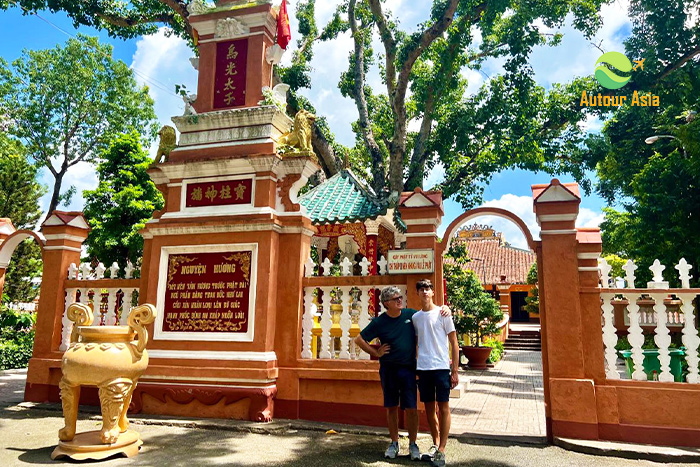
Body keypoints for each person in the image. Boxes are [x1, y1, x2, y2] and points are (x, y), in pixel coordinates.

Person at [354, 286, 450, 461]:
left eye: (400, 297)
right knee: (391, 407)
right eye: (395, 298)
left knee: (411, 408)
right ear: (386, 303)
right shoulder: (379, 322)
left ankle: (413, 444)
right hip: (388, 370)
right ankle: (394, 442)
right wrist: (376, 353)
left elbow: (428, 312)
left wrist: (445, 308)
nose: (400, 300)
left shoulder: (410, 316)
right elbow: (359, 339)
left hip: (408, 369)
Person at [411, 279, 459, 467]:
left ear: (433, 292)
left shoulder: (443, 313)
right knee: (429, 409)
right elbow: (417, 343)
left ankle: (442, 449)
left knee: (444, 407)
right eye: (421, 289)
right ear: (418, 293)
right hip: (423, 368)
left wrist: (454, 370)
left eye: (428, 289)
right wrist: (416, 366)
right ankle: (435, 443)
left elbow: (454, 343)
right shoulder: (416, 318)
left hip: (440, 367)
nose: (425, 292)